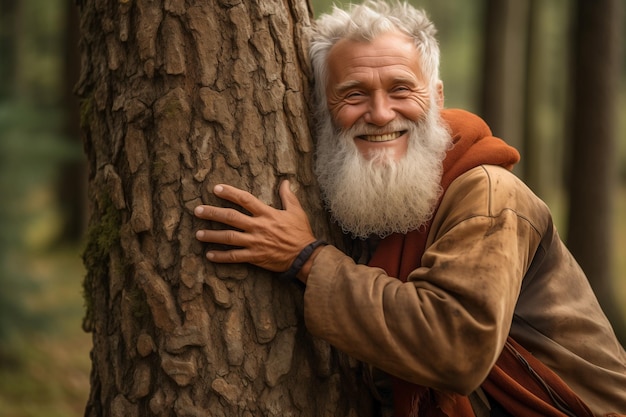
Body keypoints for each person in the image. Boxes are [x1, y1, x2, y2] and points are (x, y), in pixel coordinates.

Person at [194, 1, 626, 416]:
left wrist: (307, 259)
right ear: (322, 111)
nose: (381, 114)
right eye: (354, 94)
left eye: (401, 88)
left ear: (436, 99)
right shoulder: (357, 204)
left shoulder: (491, 196)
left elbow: (457, 348)